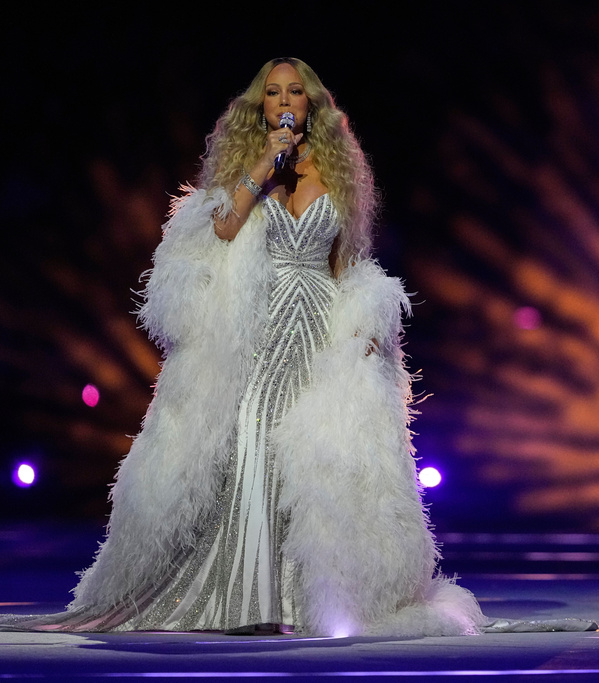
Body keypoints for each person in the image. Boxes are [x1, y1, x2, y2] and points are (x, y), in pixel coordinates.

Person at [0, 58, 484, 637]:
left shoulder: (338, 173)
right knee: (251, 433)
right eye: (273, 93)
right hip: (261, 322)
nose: (284, 101)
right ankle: (241, 595)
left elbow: (345, 263)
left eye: (294, 93)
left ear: (312, 105)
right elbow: (223, 227)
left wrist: (365, 318)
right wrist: (262, 164)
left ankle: (290, 598)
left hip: (318, 329)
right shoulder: (250, 169)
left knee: (301, 457)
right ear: (262, 105)